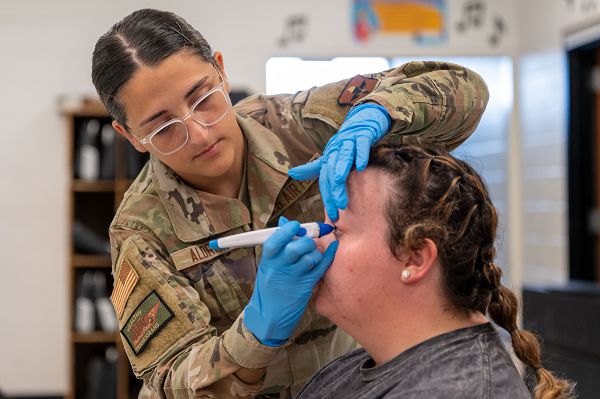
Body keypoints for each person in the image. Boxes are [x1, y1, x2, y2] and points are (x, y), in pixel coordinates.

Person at [91, 8, 489, 399]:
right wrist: (256, 331)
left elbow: (462, 86)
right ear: (130, 136)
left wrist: (378, 113)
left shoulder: (298, 124)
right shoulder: (140, 231)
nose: (197, 133)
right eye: (163, 127)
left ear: (222, 71)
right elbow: (171, 382)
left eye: (203, 98)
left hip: (353, 378)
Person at [283, 143, 574, 399]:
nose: (315, 242)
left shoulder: (462, 391)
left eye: (336, 230)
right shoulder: (352, 368)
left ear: (415, 258)